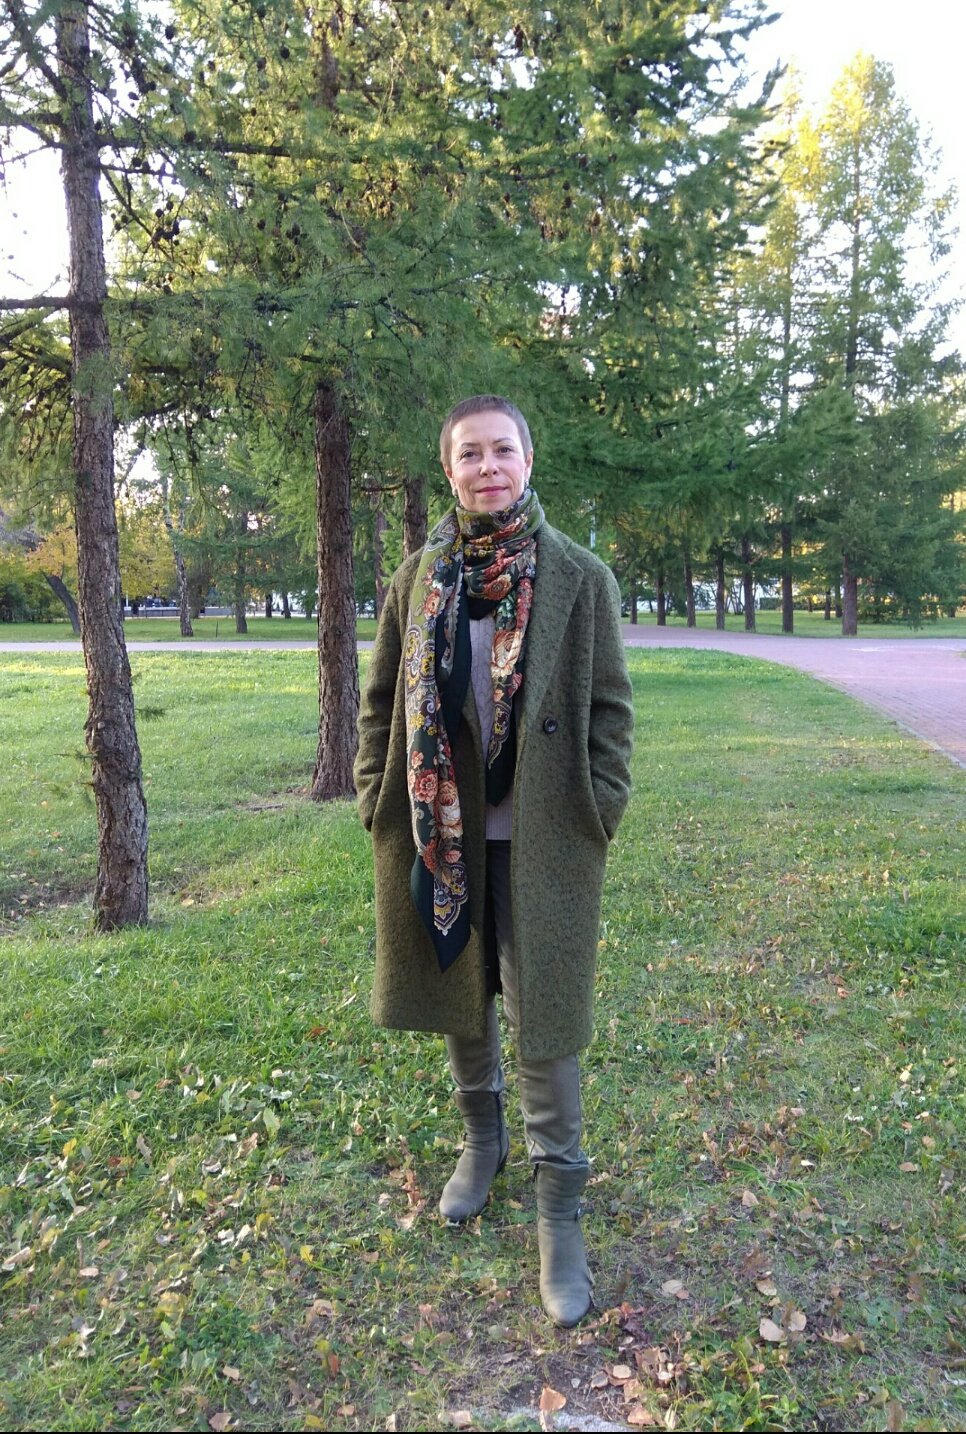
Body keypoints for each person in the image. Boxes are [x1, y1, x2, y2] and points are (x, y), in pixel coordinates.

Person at [354, 394, 634, 1326]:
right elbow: (381, 700)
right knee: (458, 986)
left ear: (527, 460)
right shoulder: (418, 579)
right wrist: (375, 795)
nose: (487, 467)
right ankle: (483, 1141)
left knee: (545, 1010)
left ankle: (561, 1206)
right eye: (469, 453)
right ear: (450, 470)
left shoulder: (578, 577)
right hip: (442, 833)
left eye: (502, 450)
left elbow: (610, 712)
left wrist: (599, 806)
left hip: (547, 839)